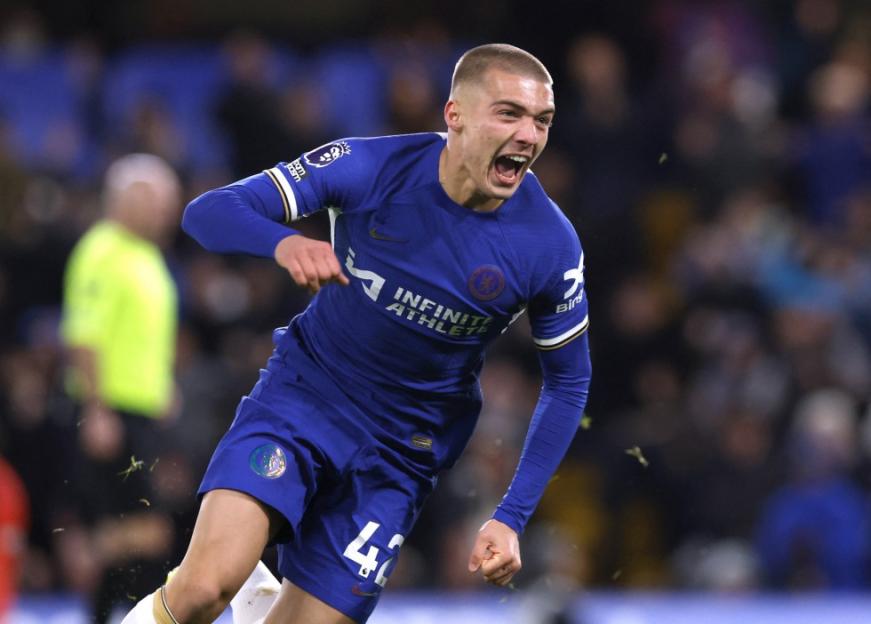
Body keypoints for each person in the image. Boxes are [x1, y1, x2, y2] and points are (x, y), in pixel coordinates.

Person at [123, 42, 592, 624]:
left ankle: (262, 602)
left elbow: (569, 384)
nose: (528, 135)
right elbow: (208, 211)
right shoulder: (368, 167)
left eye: (541, 120)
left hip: (401, 454)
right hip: (304, 399)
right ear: (455, 115)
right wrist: (284, 241)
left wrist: (511, 515)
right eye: (509, 114)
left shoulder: (548, 244)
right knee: (201, 592)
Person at [60, 153, 182, 621]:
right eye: (159, 201)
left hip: (144, 410)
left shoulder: (147, 255)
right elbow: (82, 336)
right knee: (149, 528)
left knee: (144, 534)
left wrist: (164, 384)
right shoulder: (101, 250)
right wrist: (96, 409)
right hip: (112, 411)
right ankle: (82, 547)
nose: (166, 212)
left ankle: (100, 588)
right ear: (129, 198)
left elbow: (144, 332)